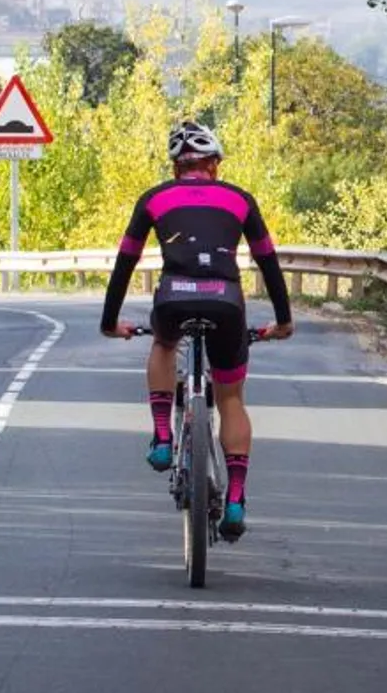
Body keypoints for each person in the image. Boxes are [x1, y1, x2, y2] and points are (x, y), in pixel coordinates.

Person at [99, 120, 293, 542]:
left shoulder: (153, 199)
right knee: (231, 398)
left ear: (176, 169)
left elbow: (125, 262)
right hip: (226, 303)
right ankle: (237, 498)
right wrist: (283, 320)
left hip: (174, 297)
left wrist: (109, 322)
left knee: (165, 345)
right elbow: (268, 262)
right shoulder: (241, 200)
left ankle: (164, 437)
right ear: (215, 166)